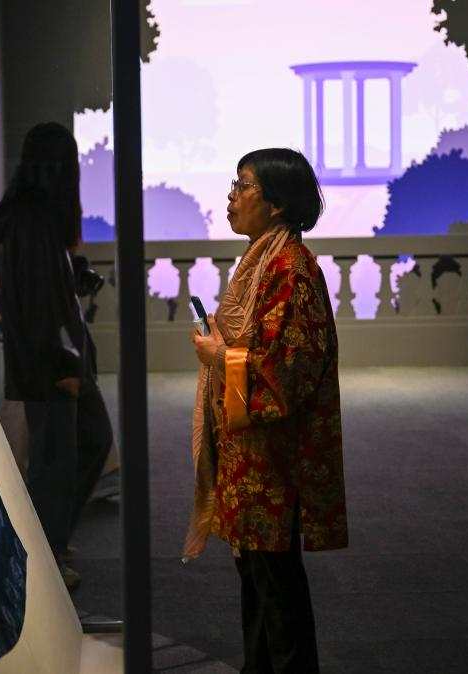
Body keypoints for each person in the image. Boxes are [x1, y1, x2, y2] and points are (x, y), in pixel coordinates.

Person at [186, 148, 348, 673]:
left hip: (272, 459)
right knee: (259, 585)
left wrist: (221, 355)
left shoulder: (291, 269)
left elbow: (290, 373)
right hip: (250, 451)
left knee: (277, 592)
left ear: (276, 204)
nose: (231, 195)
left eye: (243, 185)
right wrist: (226, 349)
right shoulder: (264, 260)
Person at [0, 122, 113, 588]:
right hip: (53, 359)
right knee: (57, 457)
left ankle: (48, 540)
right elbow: (37, 299)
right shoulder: (33, 219)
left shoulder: (24, 215)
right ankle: (44, 552)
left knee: (85, 442)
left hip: (54, 355)